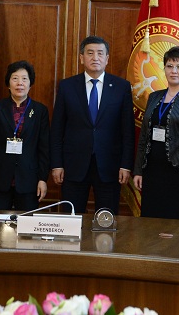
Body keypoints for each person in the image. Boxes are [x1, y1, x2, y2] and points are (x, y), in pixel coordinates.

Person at [50, 35, 135, 214]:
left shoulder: (121, 87)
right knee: (71, 218)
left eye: (100, 53)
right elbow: (57, 129)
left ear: (107, 58)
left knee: (106, 220)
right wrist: (57, 164)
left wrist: (126, 165)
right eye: (90, 53)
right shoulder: (67, 86)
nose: (95, 57)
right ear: (82, 58)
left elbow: (127, 131)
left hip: (109, 166)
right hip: (73, 165)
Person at [132, 46, 179, 220]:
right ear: (164, 69)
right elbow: (144, 136)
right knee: (151, 223)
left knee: (177, 226)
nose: (174, 71)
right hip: (152, 171)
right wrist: (138, 170)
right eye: (169, 66)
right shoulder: (154, 96)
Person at [0, 61, 50, 211]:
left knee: (26, 223)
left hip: (29, 180)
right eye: (15, 78)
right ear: (8, 83)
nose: (20, 83)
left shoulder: (40, 111)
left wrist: (43, 179)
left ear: (30, 84)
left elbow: (44, 148)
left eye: (24, 79)